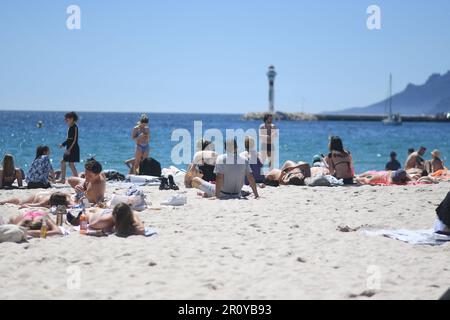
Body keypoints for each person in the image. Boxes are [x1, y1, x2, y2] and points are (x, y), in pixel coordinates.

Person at [192, 139, 259, 199]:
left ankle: (207, 194)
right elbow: (250, 178)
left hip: (223, 193)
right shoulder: (244, 160)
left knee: (195, 180)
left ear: (225, 148)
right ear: (237, 147)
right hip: (237, 194)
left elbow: (219, 178)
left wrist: (217, 196)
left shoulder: (221, 159)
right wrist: (256, 195)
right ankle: (206, 194)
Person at [69, 203, 145, 237]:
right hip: (92, 213)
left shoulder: (132, 216)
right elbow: (84, 217)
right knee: (87, 210)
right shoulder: (101, 222)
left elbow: (141, 230)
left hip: (102, 210)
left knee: (93, 208)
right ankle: (74, 219)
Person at [57, 112, 80, 183]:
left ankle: (66, 179)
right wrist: (63, 144)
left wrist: (69, 149)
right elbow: (69, 139)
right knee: (69, 164)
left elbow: (74, 140)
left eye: (68, 118)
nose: (67, 119)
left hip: (73, 148)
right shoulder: (70, 127)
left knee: (67, 163)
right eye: (66, 118)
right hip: (70, 147)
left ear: (72, 119)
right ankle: (65, 179)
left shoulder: (75, 127)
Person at [0, 191, 72, 208]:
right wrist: (27, 206)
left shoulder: (66, 198)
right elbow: (34, 205)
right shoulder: (45, 202)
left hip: (47, 193)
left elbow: (74, 204)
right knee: (19, 202)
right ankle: (2, 202)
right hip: (37, 196)